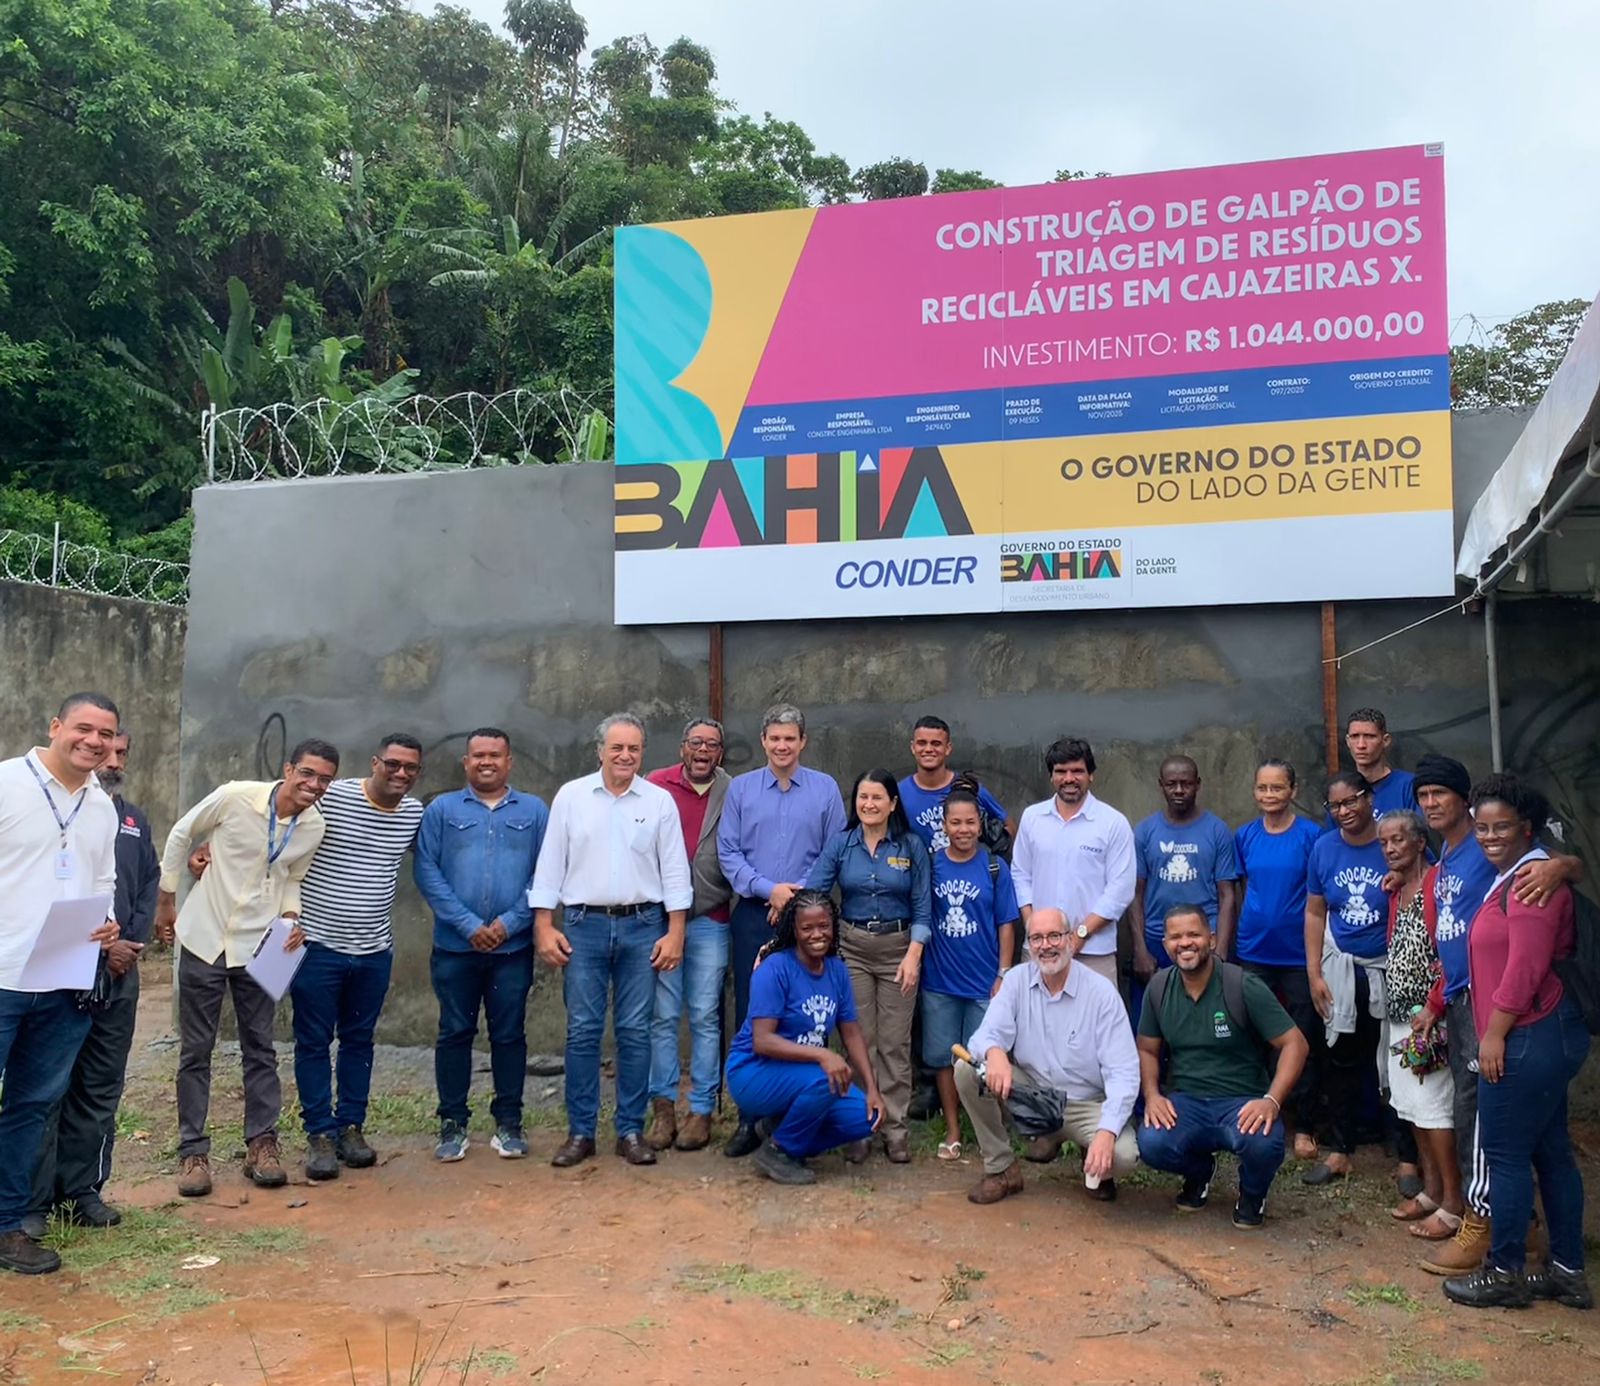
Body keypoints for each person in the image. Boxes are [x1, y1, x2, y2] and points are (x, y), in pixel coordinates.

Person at [1411, 754, 1584, 1276]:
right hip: (1504, 1022)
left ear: (1525, 828)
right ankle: (1564, 1267)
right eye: (1484, 827)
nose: (1489, 836)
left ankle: (1502, 1265)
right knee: (1550, 1150)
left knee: (1500, 1153)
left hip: (1518, 1032)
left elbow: (1526, 966)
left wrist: (1495, 1033)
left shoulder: (1528, 879)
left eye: (1500, 826)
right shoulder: (1499, 870)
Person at [156, 738, 336, 1197]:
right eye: (308, 774)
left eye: (324, 779)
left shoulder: (313, 825)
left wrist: (292, 917)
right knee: (197, 1051)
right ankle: (193, 1152)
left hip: (265, 944)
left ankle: (262, 1145)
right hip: (204, 939)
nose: (314, 785)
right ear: (288, 769)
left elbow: (293, 877)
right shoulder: (237, 796)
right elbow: (181, 834)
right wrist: (167, 898)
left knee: (261, 1048)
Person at [533, 714, 692, 1169]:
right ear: (599, 750)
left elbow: (674, 870)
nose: (625, 756)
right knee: (582, 1030)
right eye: (617, 748)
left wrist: (675, 930)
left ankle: (630, 1129)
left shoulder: (658, 801)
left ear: (643, 753)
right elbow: (550, 865)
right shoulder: (572, 797)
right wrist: (544, 924)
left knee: (635, 1032)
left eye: (634, 749)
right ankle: (580, 1131)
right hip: (584, 925)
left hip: (643, 926)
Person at [0, 693, 122, 1276]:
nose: (94, 741)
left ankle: (8, 1226)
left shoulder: (100, 805)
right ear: (55, 726)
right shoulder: (6, 784)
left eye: (106, 733)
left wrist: (108, 922)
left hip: (62, 980)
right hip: (1, 977)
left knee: (31, 1106)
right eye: (83, 728)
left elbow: (104, 879)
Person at [26, 726, 157, 1238]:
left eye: (121, 750)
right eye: (104, 748)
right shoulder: (54, 812)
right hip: (59, 966)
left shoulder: (131, 819)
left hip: (119, 971)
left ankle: (82, 1190)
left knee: (101, 1087)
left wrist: (130, 943)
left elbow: (146, 887)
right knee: (45, 1086)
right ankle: (33, 1200)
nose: (111, 757)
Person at [291, 733, 424, 1181]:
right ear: (375, 762)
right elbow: (278, 822)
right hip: (317, 947)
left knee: (359, 1040)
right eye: (393, 764)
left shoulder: (412, 813)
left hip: (374, 951)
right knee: (312, 1042)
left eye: (411, 768)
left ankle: (351, 1127)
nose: (401, 773)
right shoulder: (334, 796)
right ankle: (319, 1135)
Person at [717, 704, 845, 1157]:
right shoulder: (742, 790)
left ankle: (805, 1117)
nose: (782, 746)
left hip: (810, 919)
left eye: (790, 738)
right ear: (764, 740)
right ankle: (749, 1119)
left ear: (802, 741)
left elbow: (834, 850)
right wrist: (770, 891)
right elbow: (729, 852)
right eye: (774, 738)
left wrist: (797, 899)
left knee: (812, 1012)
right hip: (756, 913)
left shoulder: (825, 789)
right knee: (755, 1011)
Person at [413, 728, 547, 1163]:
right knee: (455, 1032)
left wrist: (509, 924)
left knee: (509, 1034)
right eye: (477, 756)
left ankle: (508, 1123)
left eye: (495, 755)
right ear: (465, 762)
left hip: (513, 949)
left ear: (509, 762)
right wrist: (469, 924)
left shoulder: (534, 810)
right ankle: (452, 1124)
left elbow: (546, 873)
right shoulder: (442, 810)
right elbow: (427, 871)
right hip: (456, 947)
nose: (486, 762)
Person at [1137, 906, 1309, 1229]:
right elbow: (1147, 1049)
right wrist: (1152, 1095)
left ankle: (1252, 1194)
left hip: (1241, 1100)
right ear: (1165, 945)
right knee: (1152, 1143)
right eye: (1176, 937)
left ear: (1211, 940)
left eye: (1193, 934)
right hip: (1187, 1101)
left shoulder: (1242, 986)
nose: (1185, 943)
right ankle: (1199, 1172)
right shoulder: (1159, 989)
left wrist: (1271, 1100)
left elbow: (1295, 1044)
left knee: (1264, 1142)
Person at [954, 907, 1139, 1205]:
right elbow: (983, 1037)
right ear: (1028, 945)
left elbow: (1124, 1072)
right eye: (1036, 938)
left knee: (1123, 1156)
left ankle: (1091, 1158)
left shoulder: (1101, 994)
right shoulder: (1016, 980)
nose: (1046, 945)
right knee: (967, 1069)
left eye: (1054, 936)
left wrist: (1106, 1132)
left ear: (1069, 940)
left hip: (1086, 1103)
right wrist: (995, 1051)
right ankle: (1001, 1168)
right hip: (1034, 1094)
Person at [806, 769, 932, 1163]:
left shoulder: (912, 846)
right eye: (862, 797)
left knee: (895, 1044)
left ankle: (894, 1129)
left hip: (899, 949)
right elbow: (815, 892)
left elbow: (924, 908)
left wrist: (914, 955)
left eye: (878, 797)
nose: (869, 804)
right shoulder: (842, 844)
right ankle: (860, 1126)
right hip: (853, 951)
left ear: (893, 803)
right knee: (860, 1042)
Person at [724, 891, 883, 1184]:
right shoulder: (775, 969)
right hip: (753, 1071)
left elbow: (851, 1031)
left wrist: (872, 1087)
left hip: (802, 1076)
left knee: (867, 1118)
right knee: (827, 1078)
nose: (817, 934)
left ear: (833, 926)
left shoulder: (836, 969)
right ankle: (779, 1151)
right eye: (807, 928)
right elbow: (763, 1041)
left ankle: (778, 1130)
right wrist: (824, 1054)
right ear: (793, 931)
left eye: (823, 925)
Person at [645, 718, 733, 1152]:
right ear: (683, 747)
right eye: (696, 742)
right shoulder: (655, 786)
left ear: (720, 752)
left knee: (704, 1015)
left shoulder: (731, 790)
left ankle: (701, 1109)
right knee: (661, 1017)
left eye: (711, 745)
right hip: (662, 921)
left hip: (711, 918)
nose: (703, 750)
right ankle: (663, 1109)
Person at [1233, 758, 1326, 1160]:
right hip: (1253, 951)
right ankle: (1255, 1116)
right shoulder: (1245, 836)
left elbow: (1319, 898)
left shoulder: (1311, 836)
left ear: (1293, 790)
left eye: (1277, 788)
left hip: (1297, 955)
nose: (1268, 796)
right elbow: (1238, 890)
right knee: (1252, 1036)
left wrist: (1315, 961)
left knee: (1301, 1038)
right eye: (1262, 788)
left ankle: (1303, 1125)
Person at [1301, 769, 1388, 1186]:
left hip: (1388, 966)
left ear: (1369, 798)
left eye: (1351, 801)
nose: (1344, 811)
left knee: (1392, 1059)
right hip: (1342, 967)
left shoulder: (1391, 841)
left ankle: (1407, 1157)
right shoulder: (1324, 848)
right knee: (1339, 1060)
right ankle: (1340, 1151)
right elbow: (1316, 911)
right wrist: (1314, 971)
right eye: (1335, 805)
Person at [1379, 811, 1462, 1240]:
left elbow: (1451, 952)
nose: (1391, 848)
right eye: (1385, 842)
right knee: (1412, 1106)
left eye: (1398, 840)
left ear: (1418, 842)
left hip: (1430, 1017)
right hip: (1401, 1015)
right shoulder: (1396, 890)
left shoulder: (1436, 884)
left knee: (1435, 1110)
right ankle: (1431, 1191)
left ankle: (1453, 1202)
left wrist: (1434, 1006)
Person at [924, 790, 1018, 1160]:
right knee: (945, 1059)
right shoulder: (931, 865)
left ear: (981, 825)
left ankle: (988, 1132)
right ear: (944, 826)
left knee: (981, 1060)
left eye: (970, 822)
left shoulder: (995, 867)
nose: (963, 829)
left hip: (984, 983)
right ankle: (952, 1128)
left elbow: (1006, 924)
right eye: (955, 822)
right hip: (939, 982)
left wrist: (1003, 974)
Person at [1010, 737, 1135, 989]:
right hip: (1039, 952)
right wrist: (1034, 927)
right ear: (1051, 777)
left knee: (1097, 1026)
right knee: (1036, 1025)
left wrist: (1079, 935)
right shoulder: (1033, 818)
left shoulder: (1112, 823)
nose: (1069, 778)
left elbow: (1120, 890)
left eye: (1077, 771)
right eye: (1061, 772)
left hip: (1094, 953)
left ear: (1091, 776)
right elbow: (1020, 874)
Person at [1129, 756, 1240, 1014]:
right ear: (1161, 785)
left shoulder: (1217, 830)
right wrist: (1140, 950)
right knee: (1154, 1021)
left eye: (1186, 783)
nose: (1179, 790)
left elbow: (1227, 896)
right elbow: (1135, 895)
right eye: (1172, 784)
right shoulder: (1145, 831)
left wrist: (1220, 949)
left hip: (1203, 940)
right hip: (1159, 940)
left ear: (1198, 784)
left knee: (1205, 1019)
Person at [897, 716, 1009, 853]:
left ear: (948, 748)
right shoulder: (900, 792)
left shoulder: (968, 788)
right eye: (921, 743)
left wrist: (990, 860)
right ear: (913, 747)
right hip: (922, 873)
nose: (928, 749)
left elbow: (1008, 825)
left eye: (936, 743)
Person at [1343, 708, 1418, 820]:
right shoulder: (1341, 791)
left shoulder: (1409, 786)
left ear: (1386, 740)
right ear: (1348, 741)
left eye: (1369, 736)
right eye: (1355, 736)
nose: (1361, 745)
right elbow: (1332, 836)